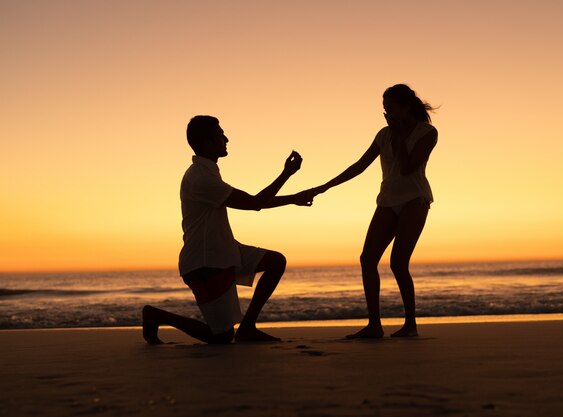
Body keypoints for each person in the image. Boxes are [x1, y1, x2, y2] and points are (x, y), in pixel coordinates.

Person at [142, 115, 313, 344]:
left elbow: (253, 202)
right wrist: (286, 174)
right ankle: (156, 315)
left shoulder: (208, 172)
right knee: (221, 337)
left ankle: (248, 327)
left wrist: (293, 198)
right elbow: (253, 204)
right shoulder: (201, 178)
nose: (226, 139)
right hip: (206, 263)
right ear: (206, 142)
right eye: (220, 134)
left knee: (275, 262)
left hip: (225, 251)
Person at [310, 84, 438, 338]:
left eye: (390, 109)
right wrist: (324, 186)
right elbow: (359, 165)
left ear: (405, 107)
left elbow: (407, 168)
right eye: (384, 110)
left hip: (415, 199)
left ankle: (410, 325)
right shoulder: (383, 134)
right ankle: (374, 325)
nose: (386, 114)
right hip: (387, 201)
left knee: (398, 263)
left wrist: (400, 133)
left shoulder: (427, 133)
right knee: (367, 259)